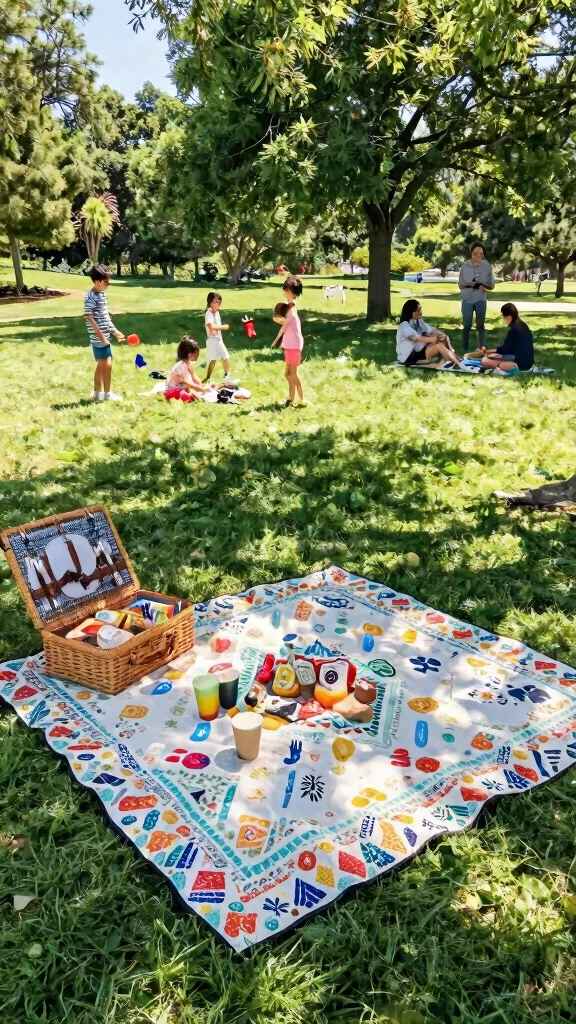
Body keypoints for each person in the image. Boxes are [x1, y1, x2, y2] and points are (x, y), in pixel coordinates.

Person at [83, 264, 125, 401]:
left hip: (104, 335)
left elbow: (105, 317)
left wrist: (114, 331)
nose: (108, 285)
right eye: (106, 282)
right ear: (97, 281)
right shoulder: (90, 297)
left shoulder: (101, 294)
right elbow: (89, 317)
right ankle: (106, 394)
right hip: (98, 337)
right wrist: (101, 336)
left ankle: (98, 393)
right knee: (106, 364)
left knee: (102, 364)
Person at [396, 299, 463, 367]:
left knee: (441, 341)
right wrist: (431, 339)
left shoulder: (419, 322)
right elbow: (415, 338)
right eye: (417, 310)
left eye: (420, 309)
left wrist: (443, 336)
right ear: (411, 312)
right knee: (438, 345)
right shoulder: (404, 325)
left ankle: (453, 361)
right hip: (409, 356)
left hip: (419, 352)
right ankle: (456, 363)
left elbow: (432, 331)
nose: (420, 312)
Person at [271, 276, 306, 407]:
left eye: (286, 289)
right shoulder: (289, 306)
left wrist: (276, 340)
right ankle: (291, 398)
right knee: (289, 373)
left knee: (291, 374)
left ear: (291, 291)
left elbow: (285, 325)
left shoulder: (292, 308)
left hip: (294, 345)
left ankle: (302, 398)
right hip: (290, 344)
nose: (284, 291)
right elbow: (286, 324)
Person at [458, 244, 495, 351]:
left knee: (480, 326)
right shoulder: (465, 267)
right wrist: (471, 285)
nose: (479, 256)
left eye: (481, 254)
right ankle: (465, 346)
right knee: (467, 325)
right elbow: (460, 285)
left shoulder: (486, 266)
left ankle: (481, 347)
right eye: (476, 254)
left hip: (481, 300)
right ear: (471, 254)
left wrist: (483, 285)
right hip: (467, 300)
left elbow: (492, 285)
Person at [480, 303, 534, 373]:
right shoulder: (523, 325)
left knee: (485, 361)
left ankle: (506, 366)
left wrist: (486, 352)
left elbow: (505, 349)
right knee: (493, 357)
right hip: (528, 363)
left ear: (507, 317)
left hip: (519, 363)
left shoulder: (513, 330)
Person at [165, 336, 215, 402]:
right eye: (196, 353)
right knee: (189, 395)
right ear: (190, 354)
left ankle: (196, 395)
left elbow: (194, 377)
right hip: (172, 391)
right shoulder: (181, 366)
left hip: (181, 388)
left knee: (191, 392)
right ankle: (196, 397)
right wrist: (203, 390)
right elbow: (189, 383)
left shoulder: (187, 364)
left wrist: (202, 387)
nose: (198, 355)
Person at [203, 292, 237, 384]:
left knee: (224, 358)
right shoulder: (208, 313)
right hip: (212, 340)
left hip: (218, 339)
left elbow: (216, 325)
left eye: (219, 301)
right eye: (216, 301)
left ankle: (226, 376)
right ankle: (209, 378)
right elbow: (211, 326)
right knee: (215, 359)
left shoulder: (217, 313)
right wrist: (223, 327)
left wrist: (221, 326)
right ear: (210, 303)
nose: (218, 303)